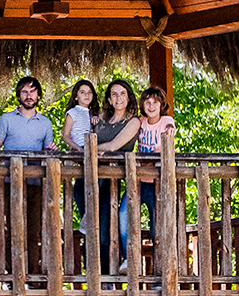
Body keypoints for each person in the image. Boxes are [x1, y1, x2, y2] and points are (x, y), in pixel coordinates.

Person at [0, 75, 54, 272]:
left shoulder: (45, 123)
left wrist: (51, 151)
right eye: (25, 92)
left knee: (33, 230)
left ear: (38, 95)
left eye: (32, 92)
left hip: (36, 182)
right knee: (12, 229)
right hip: (11, 182)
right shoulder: (7, 119)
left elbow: (47, 150)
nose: (29, 96)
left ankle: (32, 275)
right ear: (19, 96)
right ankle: (13, 274)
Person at [92, 79, 141, 273]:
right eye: (114, 94)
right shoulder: (102, 119)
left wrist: (88, 149)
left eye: (122, 94)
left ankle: (107, 274)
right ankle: (97, 273)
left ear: (128, 98)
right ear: (109, 99)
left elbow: (113, 146)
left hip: (114, 180)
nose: (118, 98)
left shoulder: (133, 121)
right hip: (93, 176)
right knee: (93, 228)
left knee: (106, 230)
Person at [135, 86, 177, 242]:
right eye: (147, 102)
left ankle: (159, 262)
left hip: (157, 181)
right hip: (139, 179)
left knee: (157, 225)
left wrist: (170, 131)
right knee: (125, 216)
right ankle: (128, 260)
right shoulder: (140, 122)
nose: (151, 106)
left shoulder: (166, 120)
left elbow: (170, 127)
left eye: (155, 102)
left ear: (161, 105)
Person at [61, 79, 97, 230]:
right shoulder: (72, 113)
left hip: (93, 149)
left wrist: (97, 122)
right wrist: (77, 148)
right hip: (79, 149)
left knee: (92, 185)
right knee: (80, 186)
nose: (86, 95)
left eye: (89, 92)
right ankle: (85, 217)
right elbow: (66, 135)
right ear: (76, 96)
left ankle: (91, 216)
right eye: (82, 92)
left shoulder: (94, 114)